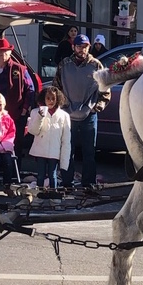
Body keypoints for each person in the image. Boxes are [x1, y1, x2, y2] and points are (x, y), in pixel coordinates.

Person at [56, 33, 106, 191]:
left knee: (89, 152)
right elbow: (56, 87)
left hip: (89, 116)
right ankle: (67, 184)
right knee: (67, 150)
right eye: (79, 46)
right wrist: (61, 107)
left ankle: (88, 184)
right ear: (73, 47)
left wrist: (96, 108)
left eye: (85, 47)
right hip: (68, 115)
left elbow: (105, 89)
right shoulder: (64, 64)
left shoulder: (96, 65)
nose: (82, 50)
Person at [27, 85, 71, 189]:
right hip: (40, 151)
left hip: (54, 152)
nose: (50, 101)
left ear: (57, 99)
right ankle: (39, 194)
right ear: (43, 98)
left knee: (52, 175)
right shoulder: (35, 112)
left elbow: (66, 139)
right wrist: (39, 117)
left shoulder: (64, 116)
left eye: (53, 98)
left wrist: (64, 160)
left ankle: (53, 195)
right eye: (48, 98)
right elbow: (33, 131)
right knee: (40, 175)